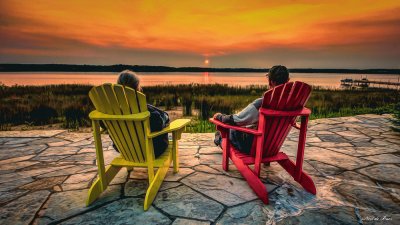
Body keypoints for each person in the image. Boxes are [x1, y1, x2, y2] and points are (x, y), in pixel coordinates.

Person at [213, 65, 290, 154]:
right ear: (288, 81)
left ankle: (219, 139)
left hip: (251, 146)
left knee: (228, 131)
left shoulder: (262, 103)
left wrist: (219, 116)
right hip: (273, 147)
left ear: (271, 82)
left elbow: (236, 119)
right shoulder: (292, 104)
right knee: (240, 128)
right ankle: (219, 137)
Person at [113, 70, 170, 158]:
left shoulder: (112, 110)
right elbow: (158, 124)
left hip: (124, 149)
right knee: (164, 120)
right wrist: (165, 118)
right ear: (137, 88)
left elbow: (104, 125)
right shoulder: (145, 109)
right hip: (152, 150)